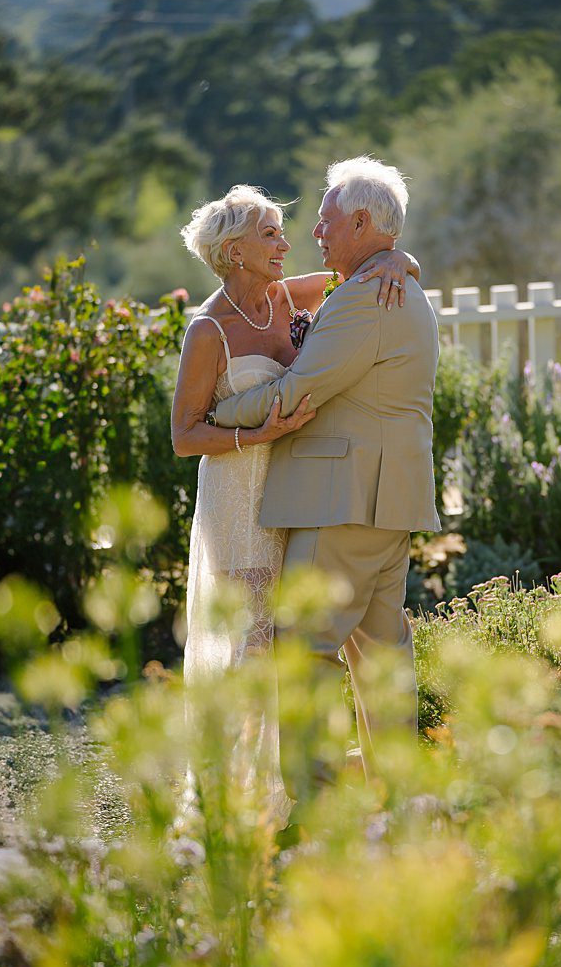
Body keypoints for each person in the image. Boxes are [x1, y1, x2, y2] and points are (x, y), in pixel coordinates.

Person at [169, 182, 415, 816]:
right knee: (251, 647)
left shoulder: (283, 296)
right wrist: (254, 433)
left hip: (296, 496)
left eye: (282, 232)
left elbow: (356, 273)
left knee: (287, 637)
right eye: (270, 234)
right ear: (234, 251)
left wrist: (399, 257)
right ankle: (239, 803)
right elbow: (185, 435)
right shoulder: (208, 330)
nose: (286, 242)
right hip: (238, 496)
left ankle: (290, 795)